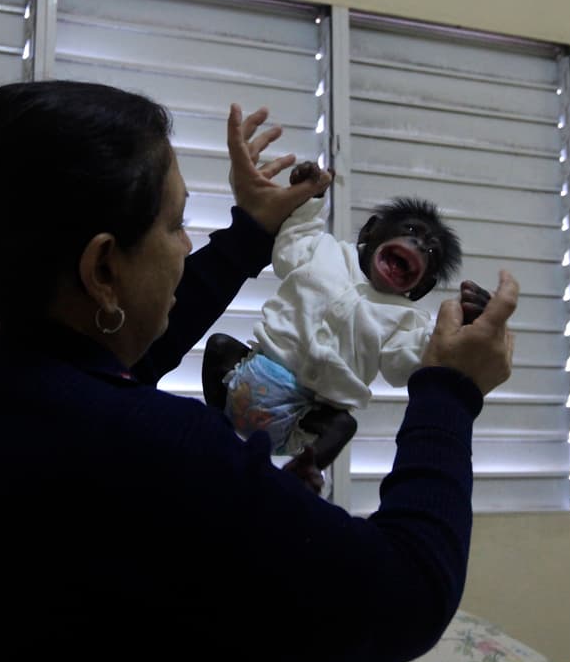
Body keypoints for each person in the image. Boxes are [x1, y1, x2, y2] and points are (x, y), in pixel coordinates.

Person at [0, 80, 519, 662]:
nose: (188, 246)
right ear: (104, 268)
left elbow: (123, 370)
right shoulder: (157, 451)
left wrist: (250, 235)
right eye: (176, 223)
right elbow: (404, 596)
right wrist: (450, 392)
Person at [203, 162, 495, 471]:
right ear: (371, 231)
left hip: (307, 414)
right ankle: (214, 426)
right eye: (411, 231)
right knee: (220, 346)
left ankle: (302, 473)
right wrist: (310, 198)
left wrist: (463, 323)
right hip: (251, 376)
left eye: (430, 252)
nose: (420, 244)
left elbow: (405, 363)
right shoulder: (325, 252)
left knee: (343, 426)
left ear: (422, 287)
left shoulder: (406, 318)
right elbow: (291, 246)